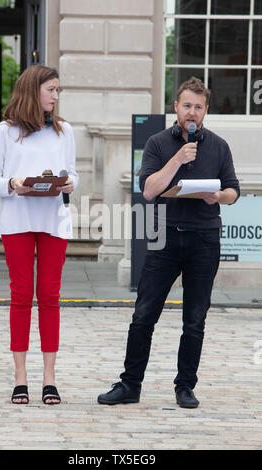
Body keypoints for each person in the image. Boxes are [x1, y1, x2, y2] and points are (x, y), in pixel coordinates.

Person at [98, 76, 240, 409]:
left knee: (195, 319)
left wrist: (218, 196)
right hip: (165, 238)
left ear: (206, 111)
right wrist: (177, 159)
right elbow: (148, 190)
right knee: (144, 315)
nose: (192, 113)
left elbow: (234, 190)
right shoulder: (159, 143)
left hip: (204, 239)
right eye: (187, 106)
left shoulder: (219, 146)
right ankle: (130, 385)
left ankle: (185, 387)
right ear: (175, 107)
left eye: (199, 107)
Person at [0, 65, 79, 405]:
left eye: (58, 90)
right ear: (32, 90)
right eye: (51, 89)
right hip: (17, 219)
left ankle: (49, 379)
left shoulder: (64, 130)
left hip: (54, 220)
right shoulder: (5, 131)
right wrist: (12, 184)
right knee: (22, 295)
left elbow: (73, 174)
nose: (56, 95)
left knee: (50, 296)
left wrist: (69, 182)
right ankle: (20, 377)